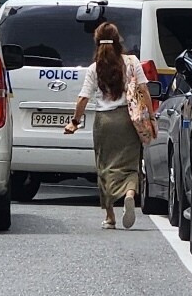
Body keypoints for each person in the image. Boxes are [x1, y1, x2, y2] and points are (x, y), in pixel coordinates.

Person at [64, 22, 155, 229]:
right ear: (118, 40)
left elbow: (83, 98)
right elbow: (144, 91)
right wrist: (151, 117)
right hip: (128, 120)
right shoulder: (132, 62)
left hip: (104, 122)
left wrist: (74, 122)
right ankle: (130, 194)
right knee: (131, 164)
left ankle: (110, 216)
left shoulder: (95, 68)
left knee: (105, 166)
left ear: (96, 42)